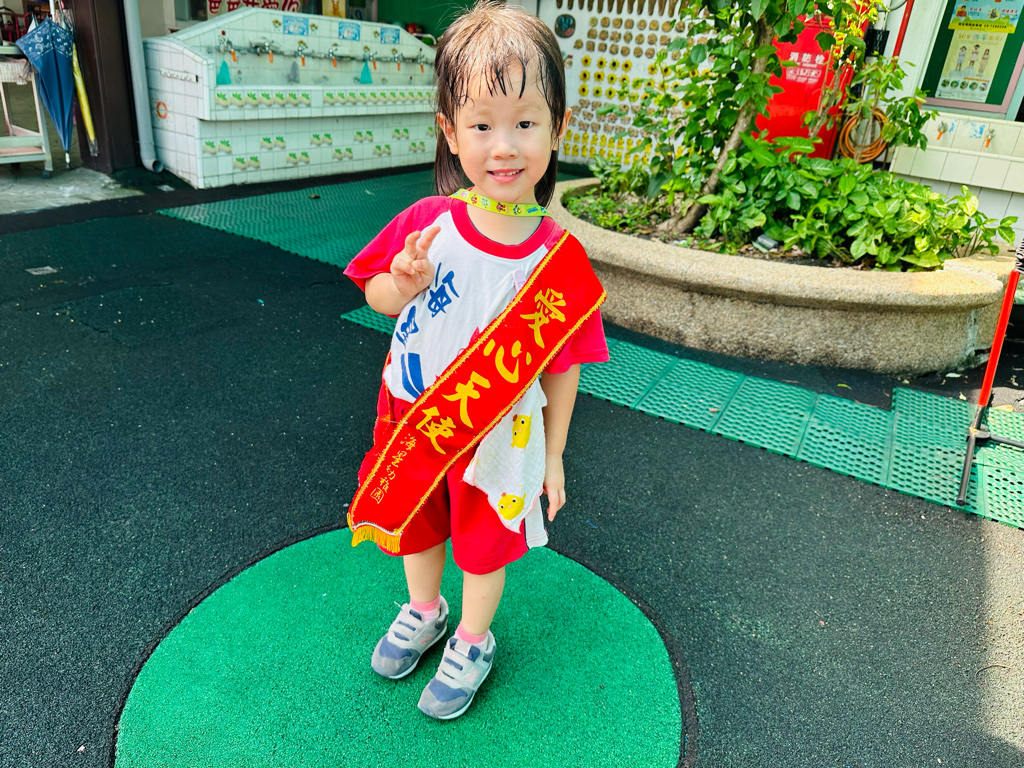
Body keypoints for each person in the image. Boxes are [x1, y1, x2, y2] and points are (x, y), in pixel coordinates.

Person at [342, 0, 608, 720]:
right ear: (449, 131)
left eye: (525, 123)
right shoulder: (427, 224)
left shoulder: (561, 261)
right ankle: (424, 609)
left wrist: (554, 455)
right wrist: (402, 283)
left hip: (501, 434)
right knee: (416, 522)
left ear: (558, 128)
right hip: (413, 412)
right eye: (482, 125)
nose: (504, 147)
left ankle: (472, 639)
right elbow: (375, 296)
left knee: (485, 546)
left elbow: (564, 367)